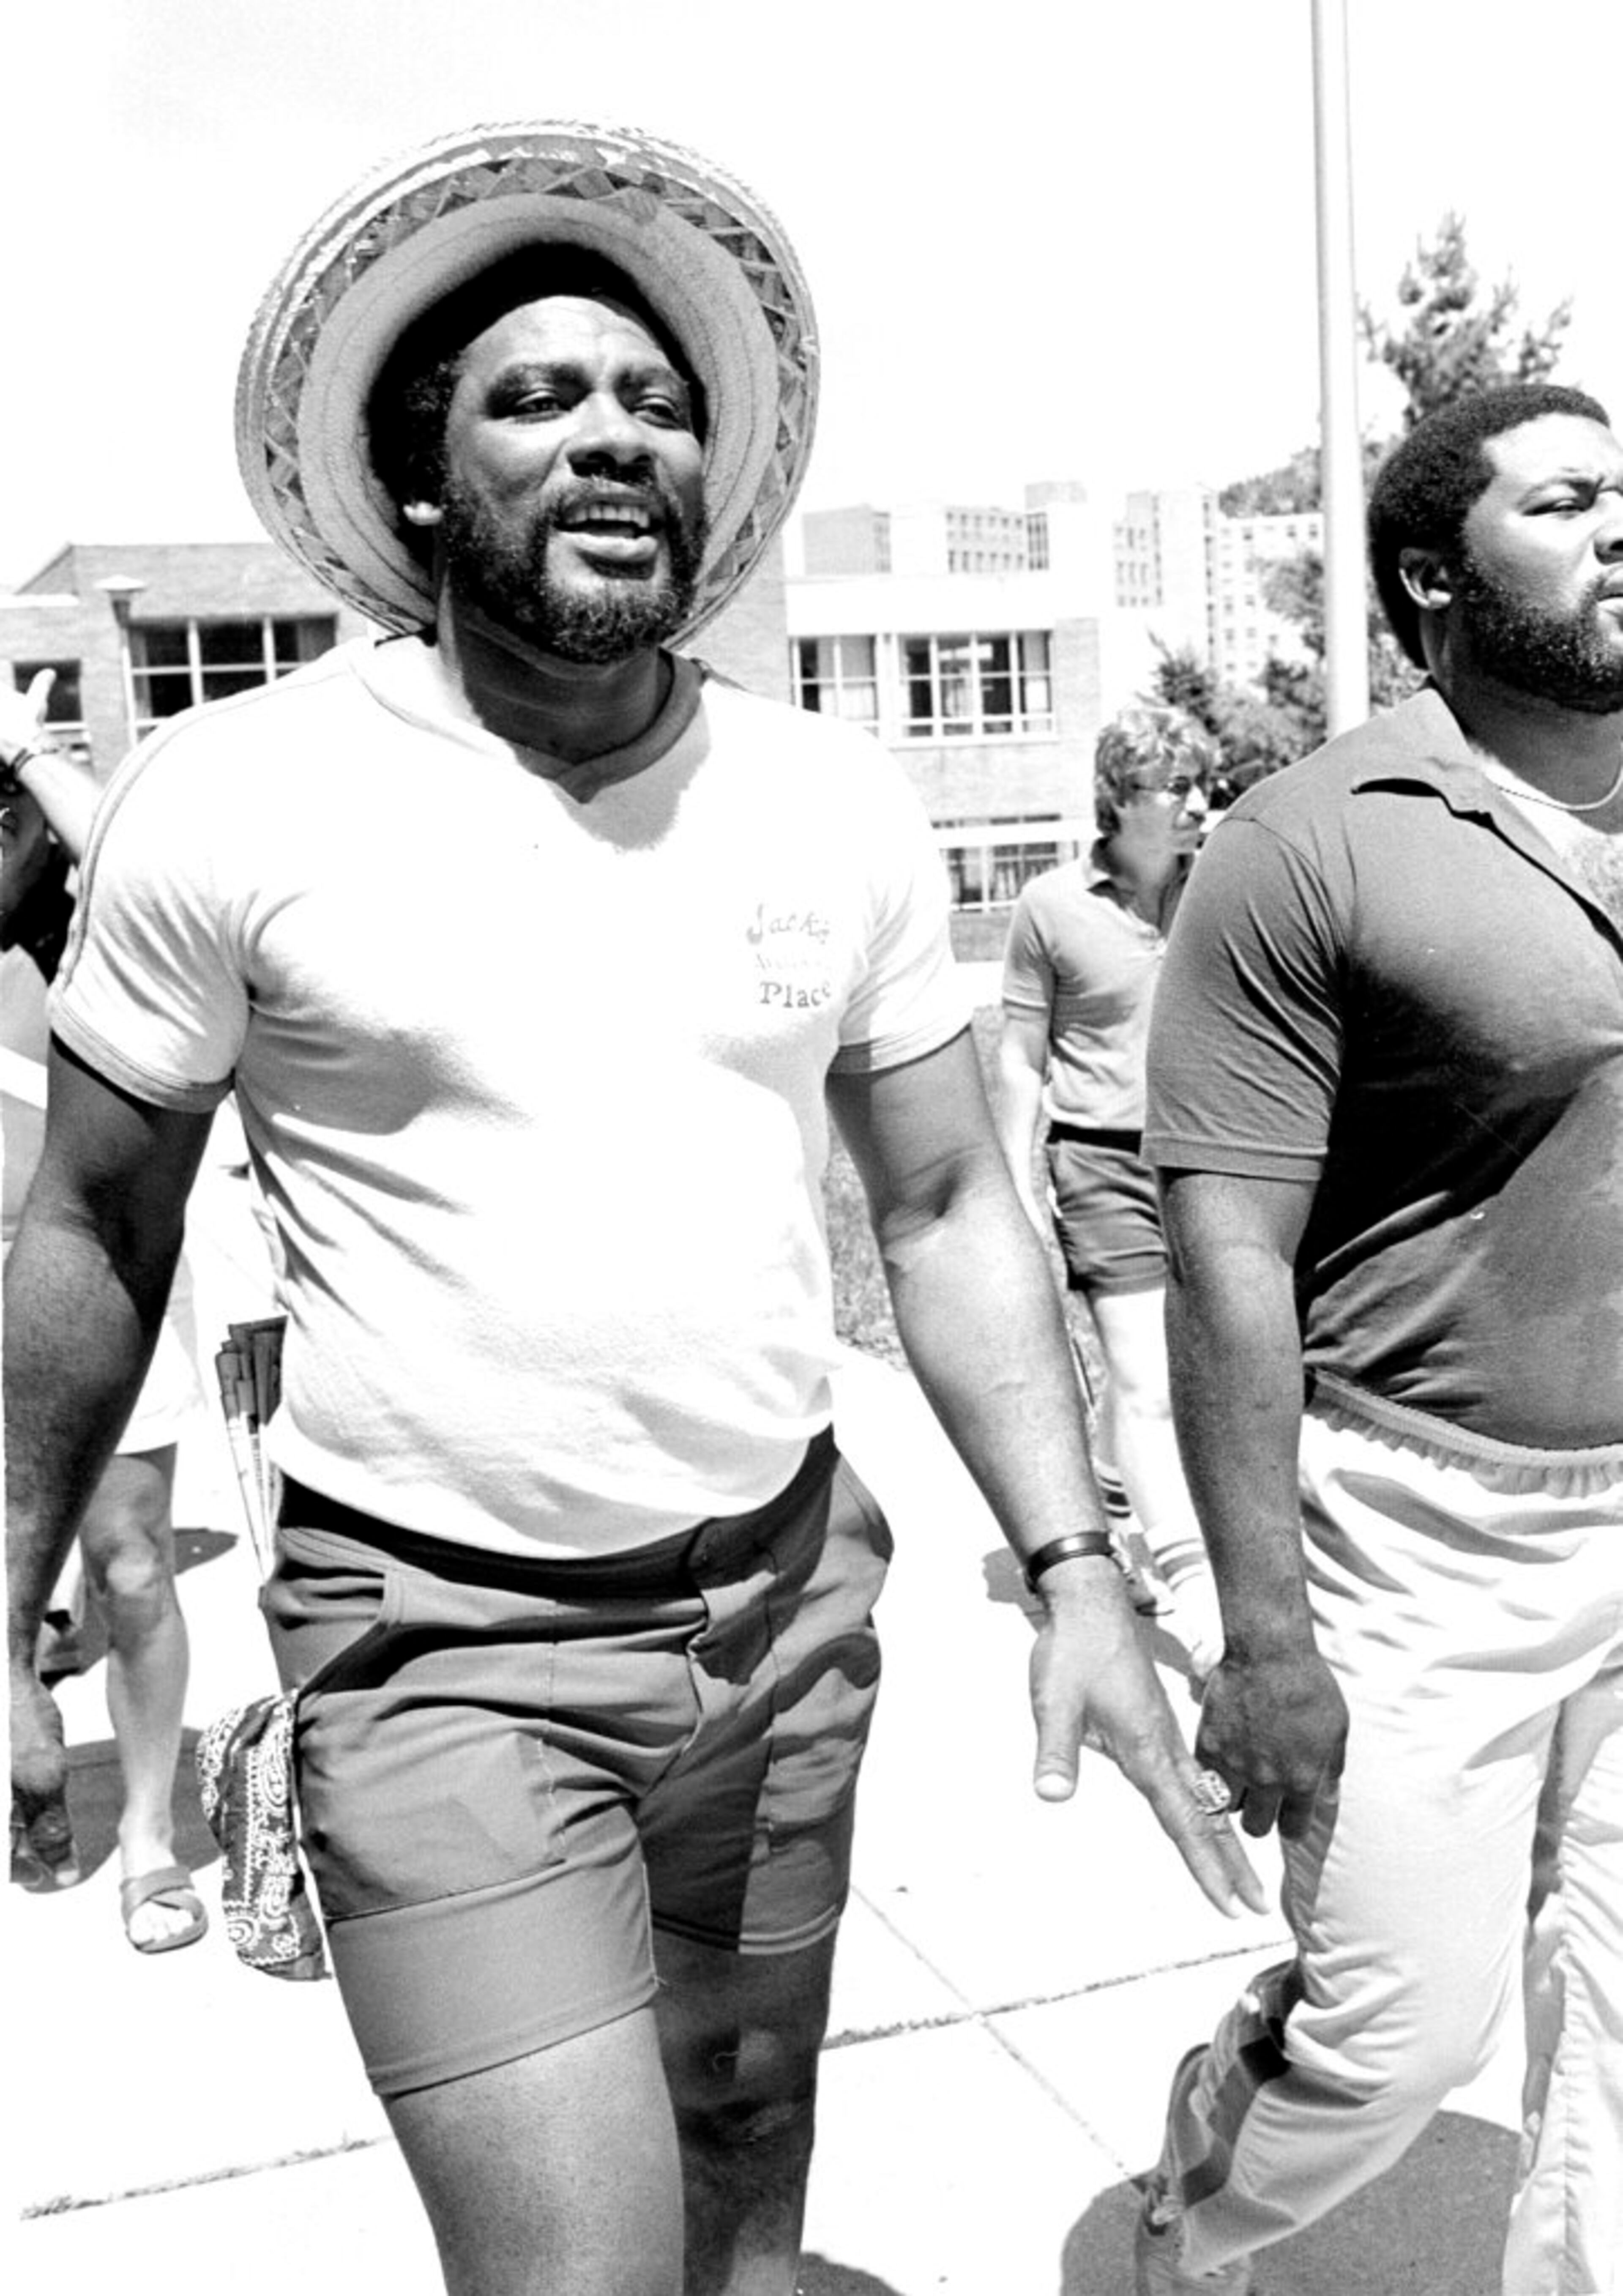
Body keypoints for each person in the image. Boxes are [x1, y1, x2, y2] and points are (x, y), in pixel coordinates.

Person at [6, 123, 1260, 2296]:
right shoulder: (237, 802)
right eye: (538, 397)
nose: (614, 434)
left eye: (657, 403)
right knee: (584, 2277)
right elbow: (94, 1235)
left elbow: (952, 1203)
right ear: (422, 481)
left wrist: (1078, 1569)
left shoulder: (826, 800)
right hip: (441, 1656)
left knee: (746, 2195)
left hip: (782, 1621)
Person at [1133, 380, 1623, 2294]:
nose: (1621, 525)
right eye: (1570, 499)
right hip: (1427, 1529)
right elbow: (1226, 1260)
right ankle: (1216, 2182)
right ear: (1431, 570)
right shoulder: (1307, 840)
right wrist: (1265, 1641)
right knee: (1402, 2040)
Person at [3, 675, 209, 1952]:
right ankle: (29, 1746)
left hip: (93, 1266)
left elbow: (146, 863)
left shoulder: (62, 917)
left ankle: (145, 1832)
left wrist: (23, 749)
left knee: (131, 1559)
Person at [996, 705, 1222, 1680]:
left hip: (1212, 1161)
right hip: (1101, 1164)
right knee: (1144, 1377)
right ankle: (1199, 1596)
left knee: (1208, 1371)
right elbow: (1019, 1059)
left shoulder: (1222, 885)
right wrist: (1005, 1193)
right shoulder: (1050, 907)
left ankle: (1111, 1489)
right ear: (1123, 798)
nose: (1198, 804)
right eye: (1178, 788)